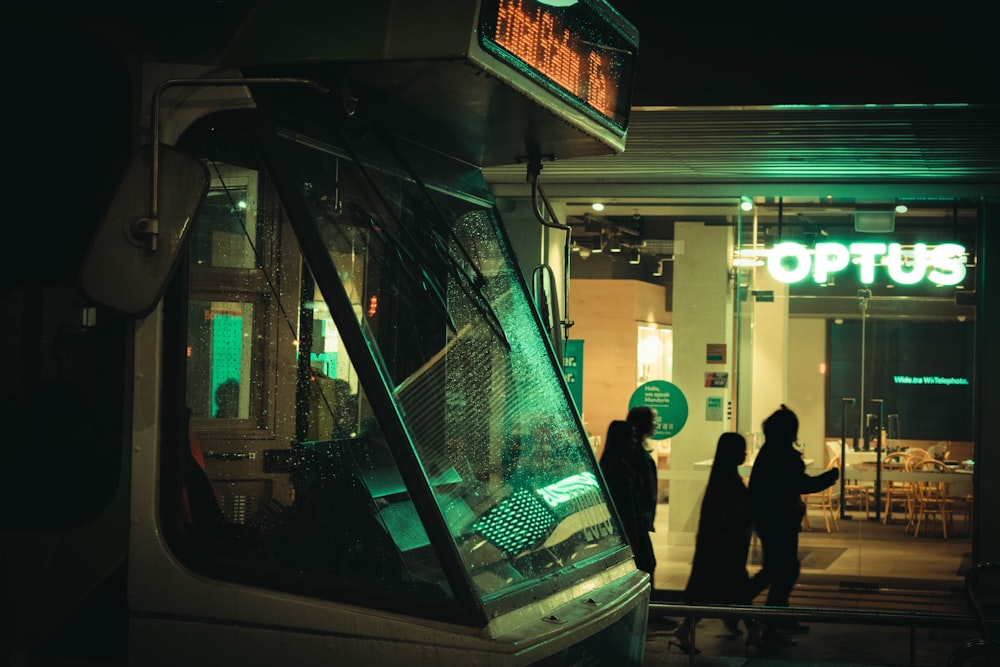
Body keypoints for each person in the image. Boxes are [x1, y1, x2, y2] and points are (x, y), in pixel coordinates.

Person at [746, 404, 839, 645]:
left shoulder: (768, 452)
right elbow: (801, 485)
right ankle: (754, 609)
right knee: (783, 570)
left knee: (779, 569)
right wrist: (830, 477)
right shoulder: (785, 455)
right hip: (781, 522)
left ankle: (769, 617)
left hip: (769, 521)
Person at [670, 433, 752, 654]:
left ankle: (686, 630)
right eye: (742, 450)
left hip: (716, 549)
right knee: (736, 590)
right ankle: (756, 631)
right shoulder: (729, 483)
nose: (745, 455)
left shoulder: (719, 480)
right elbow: (732, 516)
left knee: (708, 592)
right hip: (725, 550)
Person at [599, 421, 643, 569]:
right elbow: (626, 502)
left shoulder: (606, 464)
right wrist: (633, 529)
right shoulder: (620, 467)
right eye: (631, 437)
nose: (634, 441)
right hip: (625, 528)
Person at [625, 406, 659, 582]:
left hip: (640, 522)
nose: (655, 425)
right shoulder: (635, 455)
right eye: (652, 420)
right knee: (645, 564)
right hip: (637, 523)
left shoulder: (637, 452)